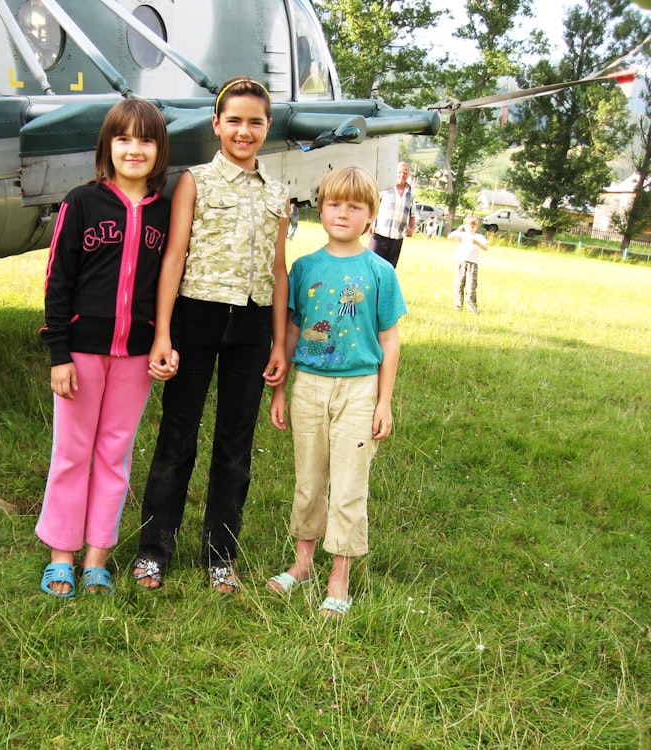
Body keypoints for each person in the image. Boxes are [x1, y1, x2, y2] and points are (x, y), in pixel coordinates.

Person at [132, 77, 290, 594]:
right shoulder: (195, 182)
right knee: (178, 437)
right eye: (235, 120)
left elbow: (278, 270)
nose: (245, 131)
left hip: (250, 326)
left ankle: (221, 556)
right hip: (196, 318)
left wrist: (278, 343)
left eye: (256, 122)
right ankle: (154, 549)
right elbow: (173, 257)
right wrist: (163, 334)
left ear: (268, 127)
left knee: (234, 445)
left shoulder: (278, 194)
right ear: (216, 124)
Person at [35, 98, 178, 598]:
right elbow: (58, 281)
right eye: (124, 138)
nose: (134, 149)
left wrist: (162, 341)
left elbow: (169, 284)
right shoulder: (82, 202)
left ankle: (97, 555)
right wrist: (58, 353)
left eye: (145, 140)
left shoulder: (166, 211)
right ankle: (61, 555)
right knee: (72, 452)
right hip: (82, 352)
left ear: (160, 150)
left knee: (114, 455)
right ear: (108, 146)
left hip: (136, 357)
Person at [267, 165, 406, 618]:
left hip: (360, 390)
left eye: (354, 206)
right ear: (320, 208)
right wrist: (280, 390)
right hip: (308, 385)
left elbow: (388, 337)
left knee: (349, 484)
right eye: (333, 204)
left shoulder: (380, 272)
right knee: (309, 481)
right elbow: (289, 333)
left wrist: (384, 401)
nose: (342, 213)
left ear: (370, 216)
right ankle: (303, 562)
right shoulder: (305, 268)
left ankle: (339, 576)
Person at [368, 162, 415, 267]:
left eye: (405, 173)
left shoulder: (410, 193)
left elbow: (413, 213)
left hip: (397, 237)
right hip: (379, 234)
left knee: (389, 268)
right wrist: (369, 224)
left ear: (408, 175)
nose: (402, 175)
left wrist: (411, 228)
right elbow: (372, 206)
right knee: (371, 265)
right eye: (399, 172)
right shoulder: (385, 187)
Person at [448, 214, 488, 313]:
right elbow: (450, 237)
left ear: (476, 227)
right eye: (468, 226)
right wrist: (459, 229)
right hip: (461, 262)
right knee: (459, 284)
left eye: (473, 226)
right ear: (465, 226)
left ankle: (472, 307)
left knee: (471, 286)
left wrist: (477, 243)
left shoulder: (478, 237)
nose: (471, 228)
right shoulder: (462, 235)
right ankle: (458, 306)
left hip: (472, 263)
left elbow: (486, 247)